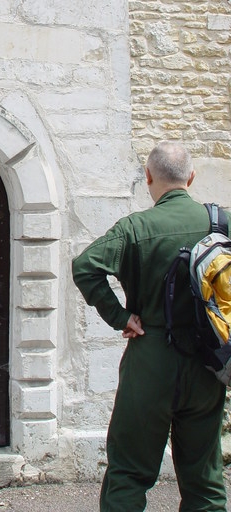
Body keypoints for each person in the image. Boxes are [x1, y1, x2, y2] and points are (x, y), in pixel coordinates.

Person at [72, 141, 227, 512]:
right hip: (208, 361)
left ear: (148, 178)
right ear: (191, 176)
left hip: (150, 357)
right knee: (204, 479)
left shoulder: (135, 227)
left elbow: (85, 267)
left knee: (129, 472)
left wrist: (121, 316)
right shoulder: (221, 222)